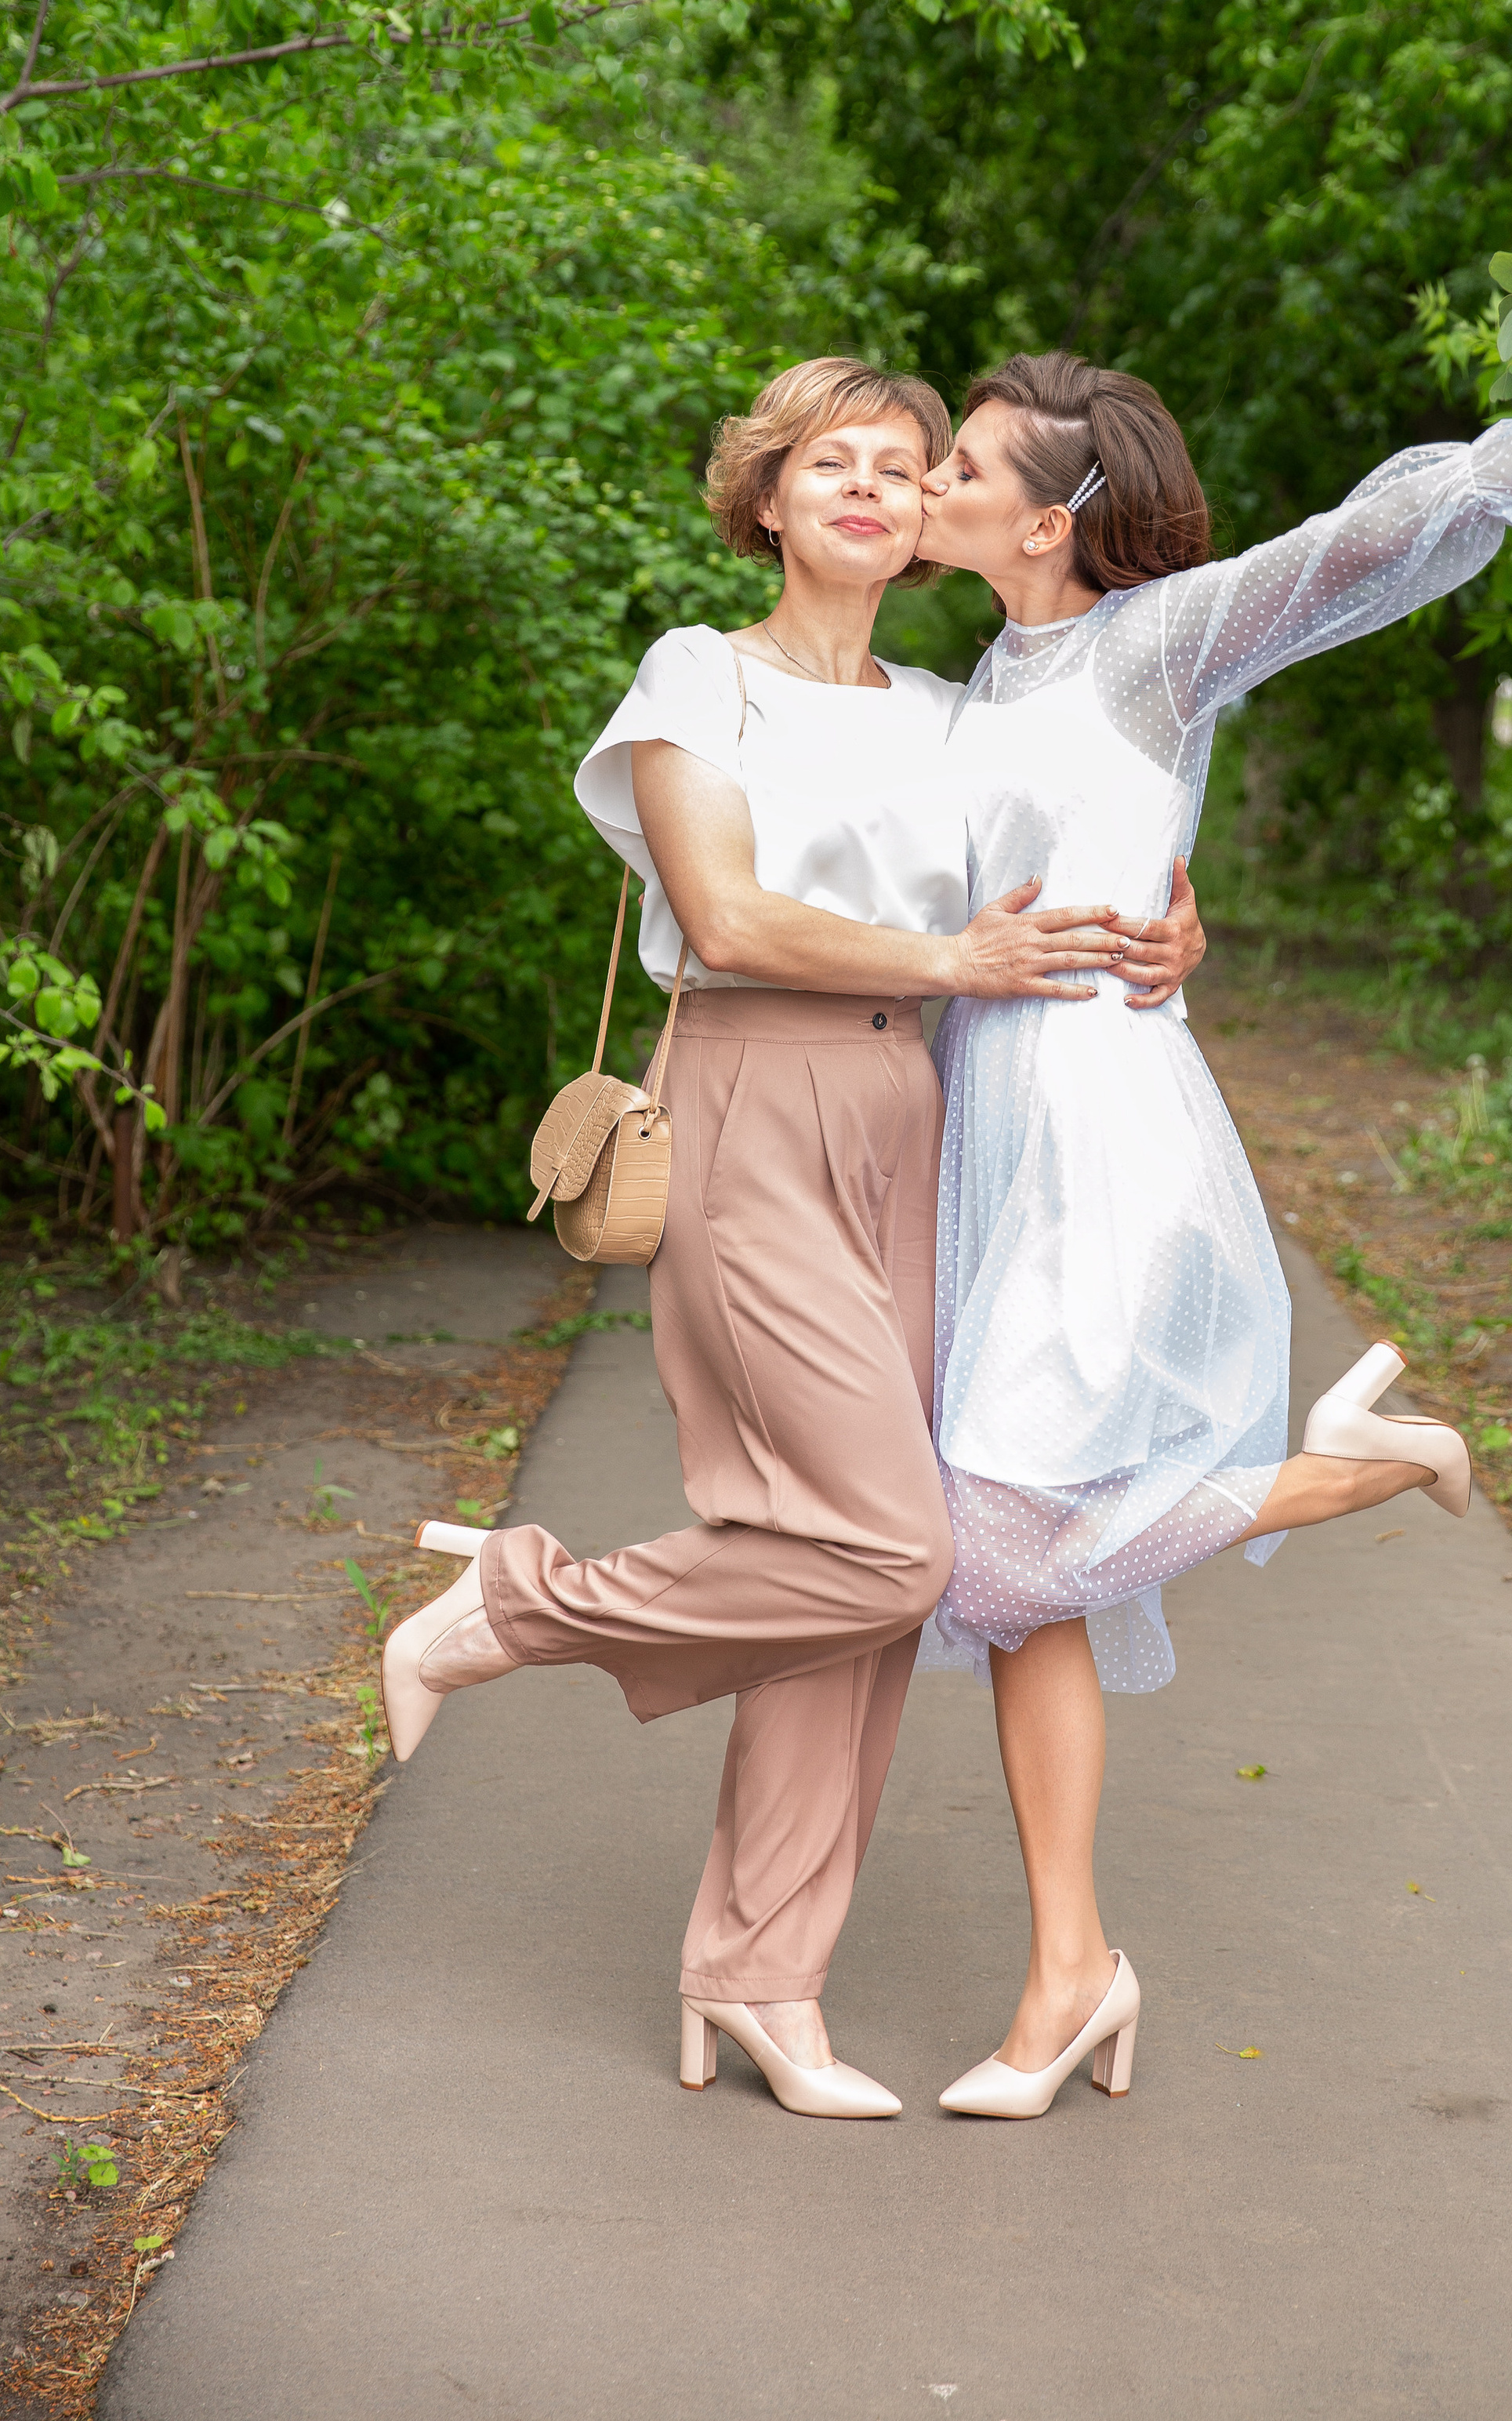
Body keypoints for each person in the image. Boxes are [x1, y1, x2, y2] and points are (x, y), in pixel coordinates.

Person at [379, 357, 1205, 2122]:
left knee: (837, 1566)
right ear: (767, 499)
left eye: (906, 466)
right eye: (832, 462)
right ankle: (510, 1605)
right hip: (752, 1100)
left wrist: (1166, 932)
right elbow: (729, 915)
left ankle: (759, 1978)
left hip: (921, 1113)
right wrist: (954, 958)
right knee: (893, 1549)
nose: (872, 487)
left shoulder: (951, 708)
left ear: (928, 519)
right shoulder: (703, 674)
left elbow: (1086, 846)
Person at [908, 346, 1512, 2119]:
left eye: (964, 464)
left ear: (1050, 519)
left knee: (1000, 1547)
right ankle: (1070, 1973)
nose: (935, 481)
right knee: (1015, 1585)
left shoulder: (1151, 643)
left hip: (1105, 1138)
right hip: (992, 1141)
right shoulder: (972, 677)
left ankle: (1357, 1467)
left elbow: (1355, 541)